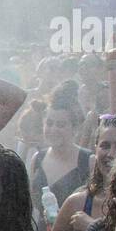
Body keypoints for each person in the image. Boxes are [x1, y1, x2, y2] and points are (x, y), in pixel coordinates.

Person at [29, 80, 92, 211]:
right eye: (49, 123)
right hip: (42, 230)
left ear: (75, 128)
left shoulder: (89, 161)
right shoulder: (37, 158)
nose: (53, 129)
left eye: (61, 125)